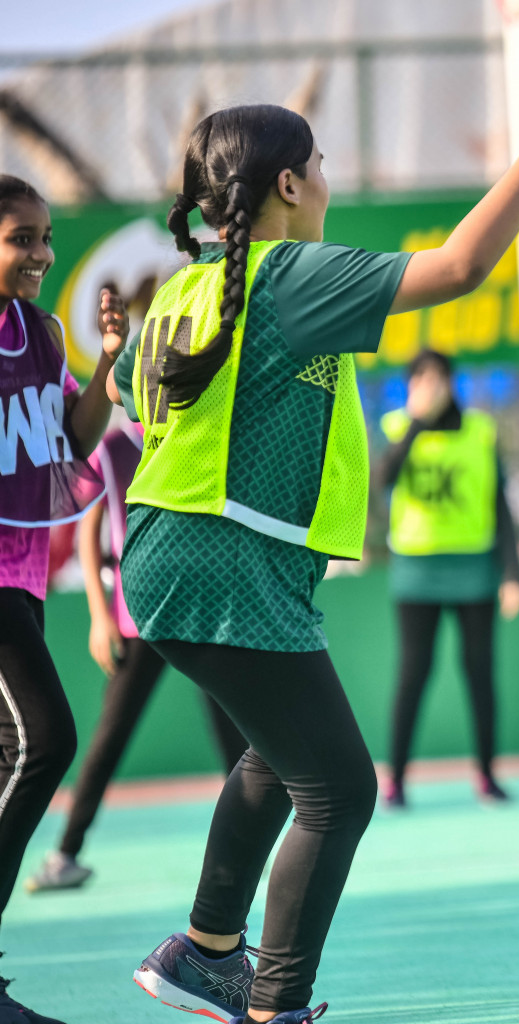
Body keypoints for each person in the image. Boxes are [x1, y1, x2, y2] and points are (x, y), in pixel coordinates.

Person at [110, 96, 519, 1024]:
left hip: (171, 554)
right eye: (320, 163)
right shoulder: (291, 277)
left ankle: (207, 950)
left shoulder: (185, 290)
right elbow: (461, 266)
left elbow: (125, 388)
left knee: (278, 761)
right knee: (341, 788)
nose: (329, 180)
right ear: (287, 184)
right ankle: (276, 1003)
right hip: (228, 561)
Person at [0, 173, 127, 1024]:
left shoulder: (41, 332)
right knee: (46, 740)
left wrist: (109, 363)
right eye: (22, 239)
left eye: (46, 237)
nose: (43, 254)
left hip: (23, 575)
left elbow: (70, 440)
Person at [26, 421, 247, 894]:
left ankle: (252, 846)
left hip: (202, 609)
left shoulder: (196, 425)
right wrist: (99, 616)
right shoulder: (112, 446)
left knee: (236, 734)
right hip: (138, 615)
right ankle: (65, 852)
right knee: (111, 736)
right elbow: (90, 529)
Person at [378, 348, 519, 808]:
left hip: (474, 568)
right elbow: (382, 479)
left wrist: (512, 573)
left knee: (480, 674)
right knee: (413, 674)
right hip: (417, 570)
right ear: (409, 387)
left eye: (439, 377)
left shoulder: (480, 430)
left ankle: (486, 775)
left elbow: (499, 502)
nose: (432, 386)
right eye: (421, 379)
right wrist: (418, 422)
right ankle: (396, 780)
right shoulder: (396, 427)